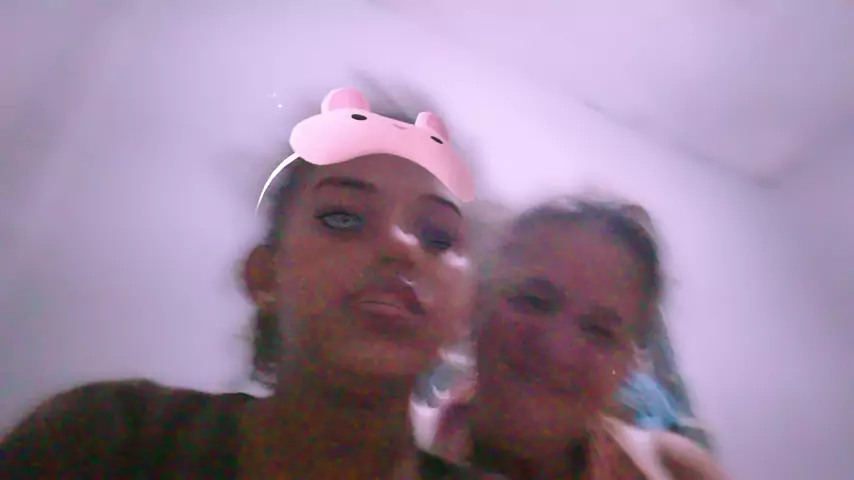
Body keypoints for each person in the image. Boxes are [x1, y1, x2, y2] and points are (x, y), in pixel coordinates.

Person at [0, 88, 478, 479]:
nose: (401, 246)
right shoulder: (106, 439)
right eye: (343, 218)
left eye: (438, 237)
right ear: (264, 276)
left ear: (462, 314)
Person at [420, 198, 729, 479]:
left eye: (600, 331)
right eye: (534, 301)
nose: (558, 350)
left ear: (630, 365)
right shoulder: (402, 448)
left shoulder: (674, 469)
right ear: (478, 304)